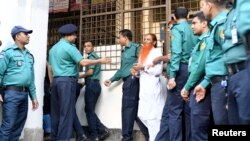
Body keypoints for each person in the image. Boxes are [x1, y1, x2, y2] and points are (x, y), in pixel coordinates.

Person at [49, 23, 111, 141]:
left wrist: (52, 82)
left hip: (56, 81)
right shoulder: (70, 47)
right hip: (67, 82)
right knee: (67, 113)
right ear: (69, 35)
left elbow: (50, 68)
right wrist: (99, 61)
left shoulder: (53, 49)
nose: (76, 37)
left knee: (56, 113)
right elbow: (83, 62)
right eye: (74, 35)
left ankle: (55, 138)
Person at [104, 29, 149, 141]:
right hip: (127, 81)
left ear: (125, 37)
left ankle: (126, 137)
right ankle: (150, 134)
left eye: (119, 37)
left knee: (128, 109)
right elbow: (122, 69)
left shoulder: (136, 47)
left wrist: (136, 70)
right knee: (133, 110)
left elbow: (144, 61)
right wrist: (112, 79)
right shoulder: (124, 51)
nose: (118, 39)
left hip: (132, 81)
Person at [0, 25, 39, 141]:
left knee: (18, 126)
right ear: (17, 36)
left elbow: (31, 78)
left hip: (24, 94)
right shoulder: (7, 52)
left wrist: (34, 97)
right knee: (8, 125)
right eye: (25, 34)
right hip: (11, 93)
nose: (28, 36)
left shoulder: (29, 55)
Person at [194, 0, 229, 125]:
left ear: (209, 6)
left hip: (224, 83)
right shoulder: (215, 26)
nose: (201, 10)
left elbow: (229, 55)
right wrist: (205, 83)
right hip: (216, 83)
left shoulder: (222, 24)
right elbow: (217, 59)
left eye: (202, 5)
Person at [166, 7, 197, 141]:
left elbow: (176, 52)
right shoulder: (193, 28)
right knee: (190, 109)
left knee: (175, 111)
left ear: (174, 16)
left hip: (180, 69)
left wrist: (172, 75)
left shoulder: (177, 28)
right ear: (189, 15)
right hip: (193, 70)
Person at [181, 12, 211, 141]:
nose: (191, 26)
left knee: (199, 128)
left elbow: (199, 67)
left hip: (201, 83)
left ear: (204, 23)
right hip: (198, 83)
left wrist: (187, 87)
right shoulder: (200, 42)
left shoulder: (206, 39)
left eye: (194, 23)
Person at [131, 33, 165, 141]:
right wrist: (136, 72)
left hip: (152, 87)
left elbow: (158, 71)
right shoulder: (142, 54)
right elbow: (141, 71)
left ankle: (155, 138)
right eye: (144, 39)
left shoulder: (156, 52)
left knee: (153, 117)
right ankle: (153, 137)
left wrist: (143, 67)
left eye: (148, 39)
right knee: (142, 114)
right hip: (144, 88)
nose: (145, 41)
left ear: (154, 42)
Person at [223, 0, 250, 124]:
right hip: (231, 74)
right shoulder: (231, 11)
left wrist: (228, 33)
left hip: (244, 69)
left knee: (245, 119)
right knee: (234, 121)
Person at [79, 41, 110, 141]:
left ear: (93, 47)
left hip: (92, 85)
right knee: (89, 110)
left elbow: (90, 72)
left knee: (89, 111)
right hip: (93, 85)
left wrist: (79, 76)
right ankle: (102, 129)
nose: (86, 48)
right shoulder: (94, 57)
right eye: (85, 46)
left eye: (89, 46)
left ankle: (94, 135)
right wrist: (84, 83)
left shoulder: (92, 57)